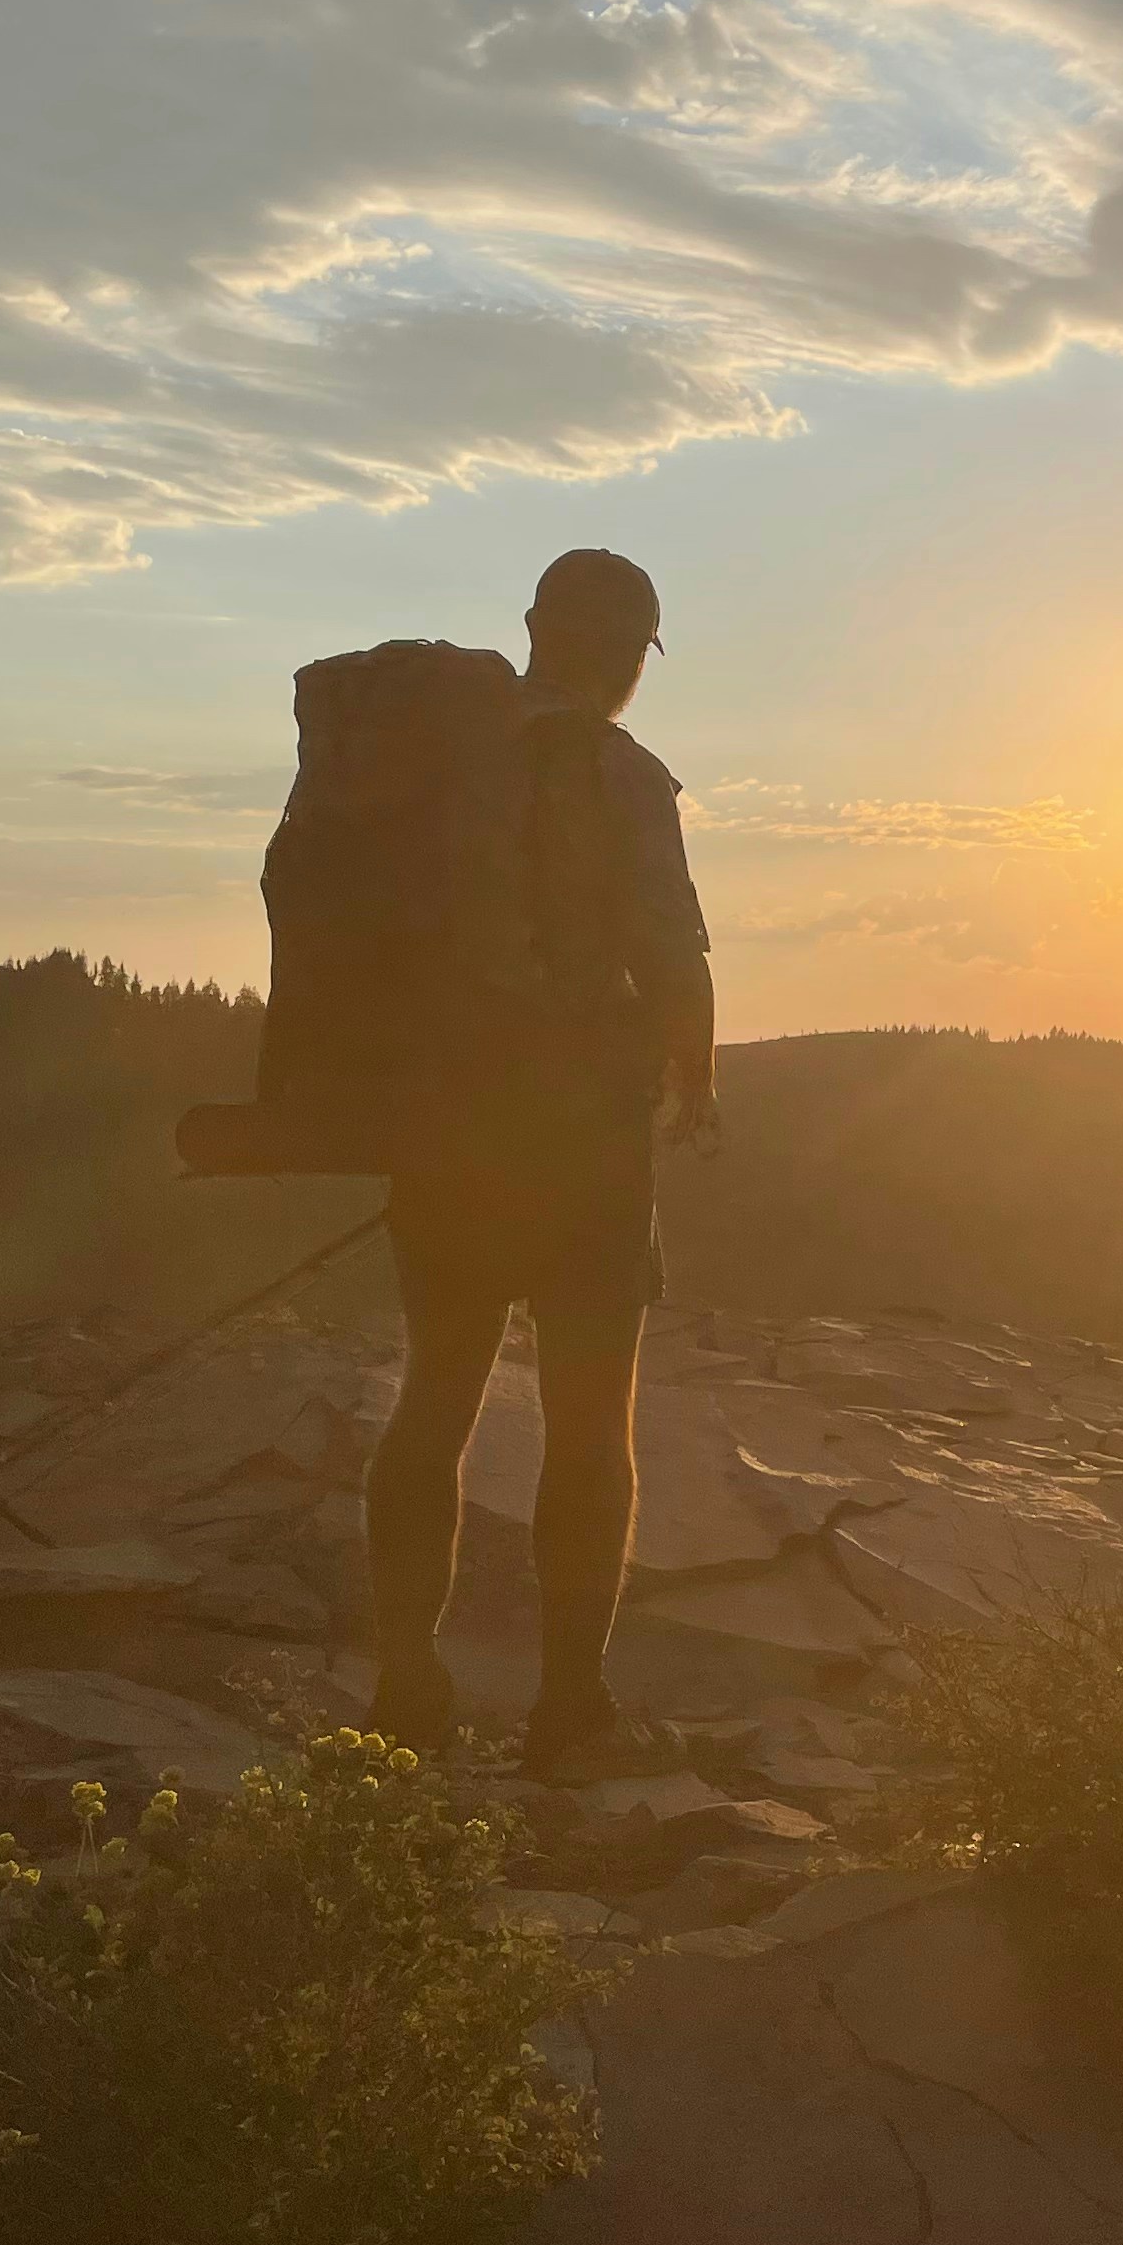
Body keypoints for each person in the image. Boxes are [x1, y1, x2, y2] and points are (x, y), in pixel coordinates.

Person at [360, 547, 720, 1778]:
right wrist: (697, 1082)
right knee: (586, 1427)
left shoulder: (439, 768)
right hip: (581, 1153)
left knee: (436, 1398)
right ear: (629, 659)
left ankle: (403, 1684)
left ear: (530, 630)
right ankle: (570, 1712)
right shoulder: (622, 776)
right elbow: (675, 956)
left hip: (445, 1134)